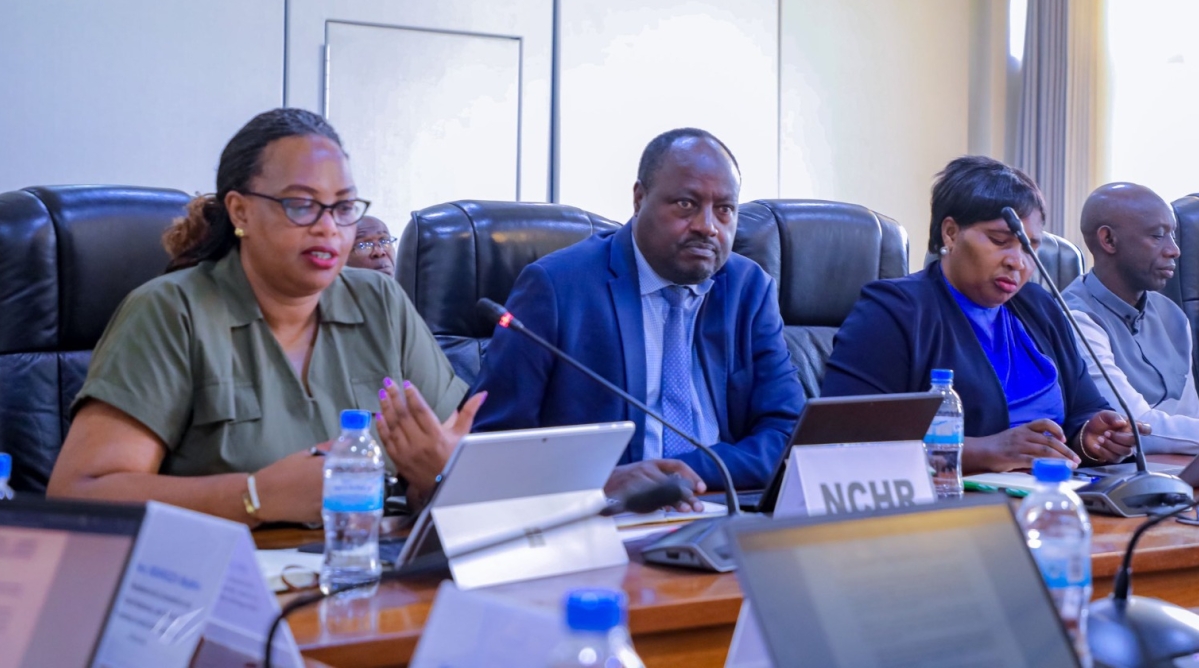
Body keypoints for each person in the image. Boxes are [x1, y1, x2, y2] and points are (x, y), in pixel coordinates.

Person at [47, 108, 483, 524]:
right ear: (241, 211)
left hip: (368, 572)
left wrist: (440, 478)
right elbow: (80, 493)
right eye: (301, 204)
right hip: (220, 582)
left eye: (344, 207)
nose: (328, 227)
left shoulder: (381, 303)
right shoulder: (171, 312)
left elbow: (434, 469)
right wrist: (256, 496)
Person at [470, 128, 804, 500]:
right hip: (605, 516)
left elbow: (788, 432)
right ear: (639, 198)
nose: (708, 226)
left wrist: (686, 473)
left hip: (724, 505)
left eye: (724, 209)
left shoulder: (748, 289)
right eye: (686, 204)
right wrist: (601, 482)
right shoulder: (558, 287)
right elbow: (491, 446)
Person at [822, 155, 1138, 473]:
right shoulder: (894, 310)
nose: (1018, 261)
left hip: (1048, 493)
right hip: (949, 506)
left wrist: (1091, 437)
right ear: (950, 233)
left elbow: (1085, 409)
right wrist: (981, 451)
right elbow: (846, 440)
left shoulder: (1038, 306)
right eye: (1000, 241)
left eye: (1030, 247)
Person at [1063, 183, 1199, 453]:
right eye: (1158, 236)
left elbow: (1189, 415)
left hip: (1175, 470)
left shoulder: (1173, 314)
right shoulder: (1075, 317)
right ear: (1109, 240)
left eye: (1173, 235)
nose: (1174, 250)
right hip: (1121, 475)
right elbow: (1134, 427)